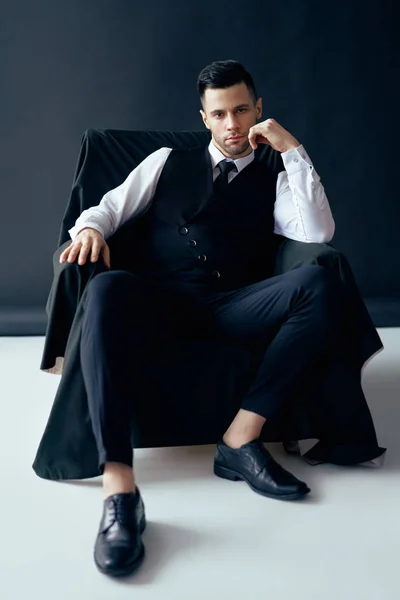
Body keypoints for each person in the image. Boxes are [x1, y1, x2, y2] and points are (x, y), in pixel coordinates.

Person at [58, 60, 380, 578]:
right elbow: (109, 208)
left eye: (241, 110)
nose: (232, 124)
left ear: (258, 111)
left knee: (321, 280)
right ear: (204, 118)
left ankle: (240, 438)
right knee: (106, 287)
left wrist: (293, 152)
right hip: (161, 303)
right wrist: (89, 230)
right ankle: (120, 489)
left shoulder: (276, 175)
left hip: (235, 306)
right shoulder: (166, 161)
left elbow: (316, 234)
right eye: (220, 114)